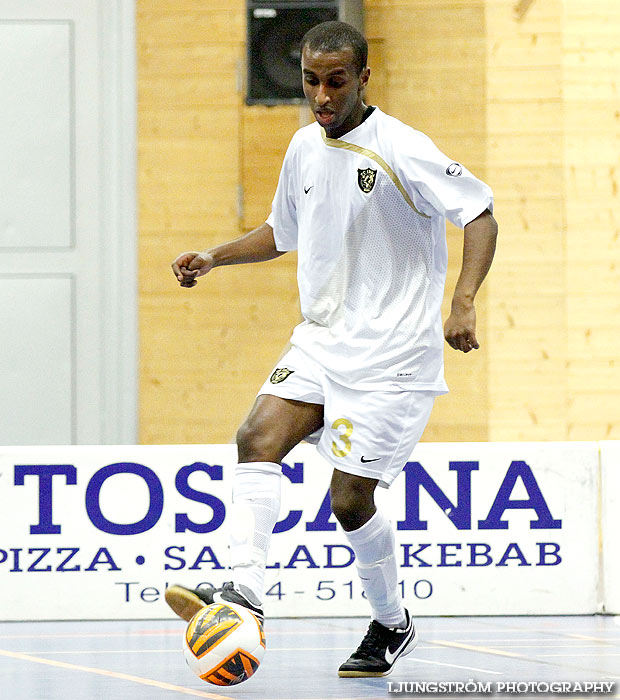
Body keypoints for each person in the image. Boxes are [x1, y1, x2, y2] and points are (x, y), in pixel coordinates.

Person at [167, 20, 497, 678]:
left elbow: (480, 213)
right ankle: (244, 595)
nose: (322, 95)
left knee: (348, 503)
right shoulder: (301, 148)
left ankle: (391, 621)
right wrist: (213, 256)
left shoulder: (402, 148)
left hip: (393, 360)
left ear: (363, 78)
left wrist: (462, 303)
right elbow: (279, 232)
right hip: (321, 341)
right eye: (312, 81)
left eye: (336, 81)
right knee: (256, 436)